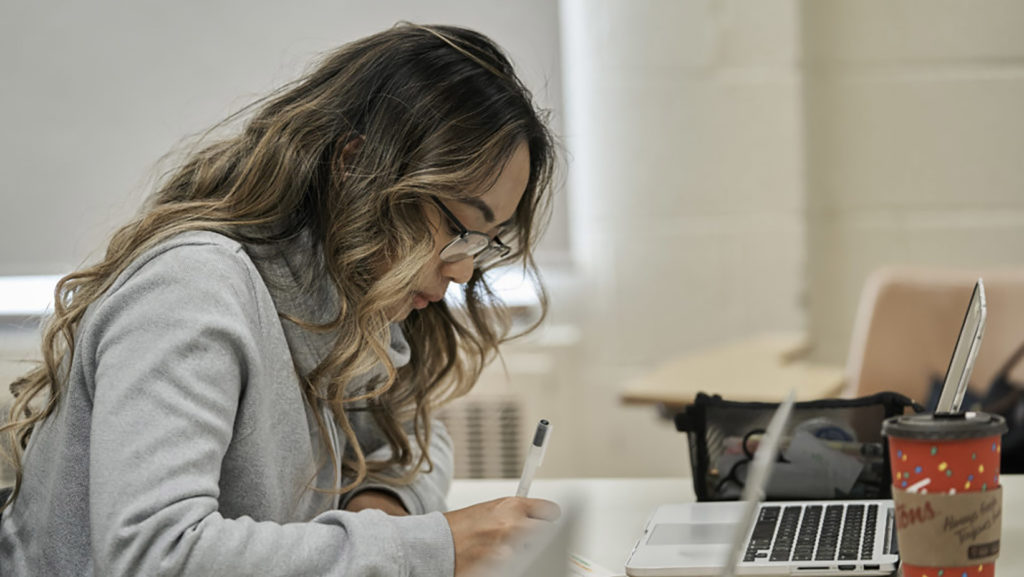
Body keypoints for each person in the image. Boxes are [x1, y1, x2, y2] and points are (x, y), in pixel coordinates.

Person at [0, 22, 560, 577]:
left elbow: (414, 438)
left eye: (485, 243)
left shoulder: (350, 291)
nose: (462, 271)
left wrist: (384, 513)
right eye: (460, 226)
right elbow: (154, 555)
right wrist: (427, 550)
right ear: (354, 165)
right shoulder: (192, 289)